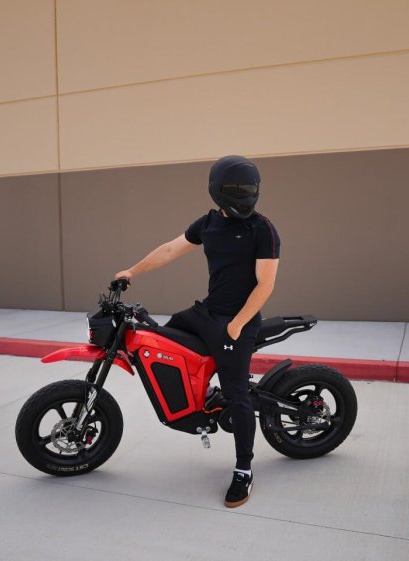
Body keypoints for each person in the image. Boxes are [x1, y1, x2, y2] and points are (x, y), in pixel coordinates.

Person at [114, 154, 280, 508]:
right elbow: (170, 250)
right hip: (207, 312)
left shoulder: (262, 229)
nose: (245, 194)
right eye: (238, 188)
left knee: (238, 395)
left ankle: (244, 470)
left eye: (249, 188)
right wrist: (132, 271)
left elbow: (265, 284)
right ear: (219, 190)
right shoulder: (207, 224)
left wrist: (237, 324)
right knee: (164, 338)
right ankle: (201, 396)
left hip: (238, 321)